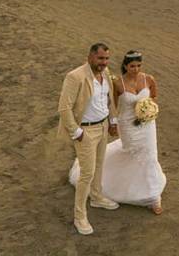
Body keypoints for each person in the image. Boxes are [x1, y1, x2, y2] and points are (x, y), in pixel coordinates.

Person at [69, 49, 167, 214]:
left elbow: (154, 97)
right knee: (131, 153)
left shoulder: (148, 79)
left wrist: (149, 111)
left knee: (150, 155)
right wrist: (113, 123)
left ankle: (153, 196)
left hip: (148, 125)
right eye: (132, 66)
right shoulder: (117, 83)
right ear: (126, 66)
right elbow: (112, 105)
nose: (135, 69)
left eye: (138, 65)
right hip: (128, 125)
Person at [58, 42, 121, 235]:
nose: (103, 62)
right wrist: (77, 132)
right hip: (85, 131)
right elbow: (64, 107)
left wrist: (112, 121)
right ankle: (80, 216)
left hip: (102, 126)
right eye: (100, 58)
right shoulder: (75, 76)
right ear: (90, 57)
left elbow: (108, 99)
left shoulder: (105, 73)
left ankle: (96, 197)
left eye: (106, 58)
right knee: (87, 173)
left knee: (100, 164)